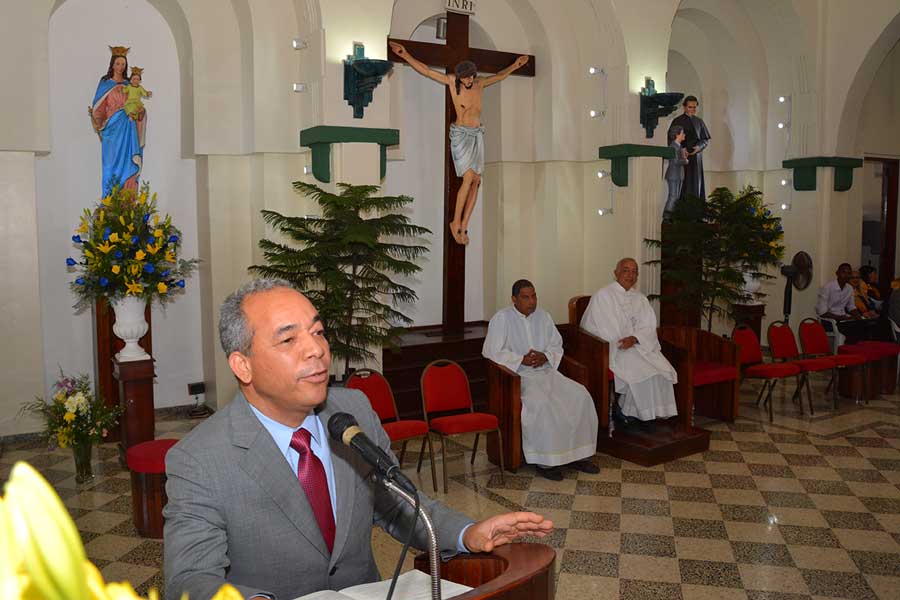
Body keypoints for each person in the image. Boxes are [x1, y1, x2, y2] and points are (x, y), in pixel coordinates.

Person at [164, 279, 553, 600]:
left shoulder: (352, 412)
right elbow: (190, 579)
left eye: (317, 332)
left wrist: (469, 533)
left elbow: (398, 506)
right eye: (288, 340)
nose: (317, 350)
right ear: (242, 365)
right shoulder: (200, 459)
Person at [389, 41, 528, 246]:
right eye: (466, 77)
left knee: (477, 180)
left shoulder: (480, 84)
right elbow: (426, 71)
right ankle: (455, 222)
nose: (469, 80)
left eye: (471, 76)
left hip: (477, 134)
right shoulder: (452, 83)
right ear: (460, 77)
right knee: (468, 177)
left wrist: (516, 65)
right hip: (461, 135)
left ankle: (463, 224)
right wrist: (406, 54)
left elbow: (499, 76)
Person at [482, 279, 599, 481]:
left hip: (547, 372)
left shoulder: (543, 317)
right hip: (520, 377)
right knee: (542, 404)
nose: (532, 301)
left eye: (534, 296)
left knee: (580, 396)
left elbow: (556, 345)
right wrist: (521, 360)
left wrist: (545, 356)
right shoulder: (501, 319)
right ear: (514, 299)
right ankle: (546, 461)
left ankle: (578, 455)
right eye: (526, 297)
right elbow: (492, 352)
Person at [580, 258, 678, 423]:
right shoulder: (603, 295)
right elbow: (605, 328)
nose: (630, 275)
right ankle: (632, 414)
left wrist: (635, 338)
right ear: (616, 272)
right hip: (614, 348)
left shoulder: (640, 298)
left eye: (634, 272)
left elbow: (649, 326)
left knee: (663, 370)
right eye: (626, 270)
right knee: (644, 372)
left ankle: (642, 414)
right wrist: (625, 341)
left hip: (638, 345)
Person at [88, 46, 144, 195]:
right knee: (110, 164)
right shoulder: (105, 83)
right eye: (118, 64)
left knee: (128, 162)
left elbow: (137, 105)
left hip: (128, 127)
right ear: (112, 64)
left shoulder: (129, 84)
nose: (120, 67)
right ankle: (109, 202)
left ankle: (127, 201)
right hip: (112, 129)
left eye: (123, 64)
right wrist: (97, 120)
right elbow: (98, 107)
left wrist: (140, 112)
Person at [670, 96, 711, 202]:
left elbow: (705, 140)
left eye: (694, 107)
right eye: (690, 107)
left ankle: (696, 214)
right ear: (684, 107)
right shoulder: (677, 121)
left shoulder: (699, 121)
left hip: (696, 158)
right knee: (682, 187)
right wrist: (682, 150)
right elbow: (671, 140)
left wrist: (698, 147)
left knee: (696, 185)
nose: (692, 109)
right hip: (682, 159)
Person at [815, 263, 869, 344]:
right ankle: (844, 352)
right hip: (829, 320)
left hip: (843, 320)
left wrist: (859, 318)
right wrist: (841, 318)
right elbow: (822, 312)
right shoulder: (828, 287)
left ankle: (855, 353)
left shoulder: (849, 288)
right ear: (837, 273)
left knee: (864, 326)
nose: (846, 275)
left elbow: (851, 307)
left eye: (848, 273)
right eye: (843, 272)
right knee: (851, 330)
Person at [663, 124, 689, 221]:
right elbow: (675, 161)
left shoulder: (679, 146)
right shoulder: (673, 146)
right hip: (673, 175)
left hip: (678, 174)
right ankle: (667, 217)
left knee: (676, 197)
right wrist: (685, 160)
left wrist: (684, 156)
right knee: (673, 196)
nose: (684, 135)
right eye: (682, 133)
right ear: (677, 135)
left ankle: (672, 216)